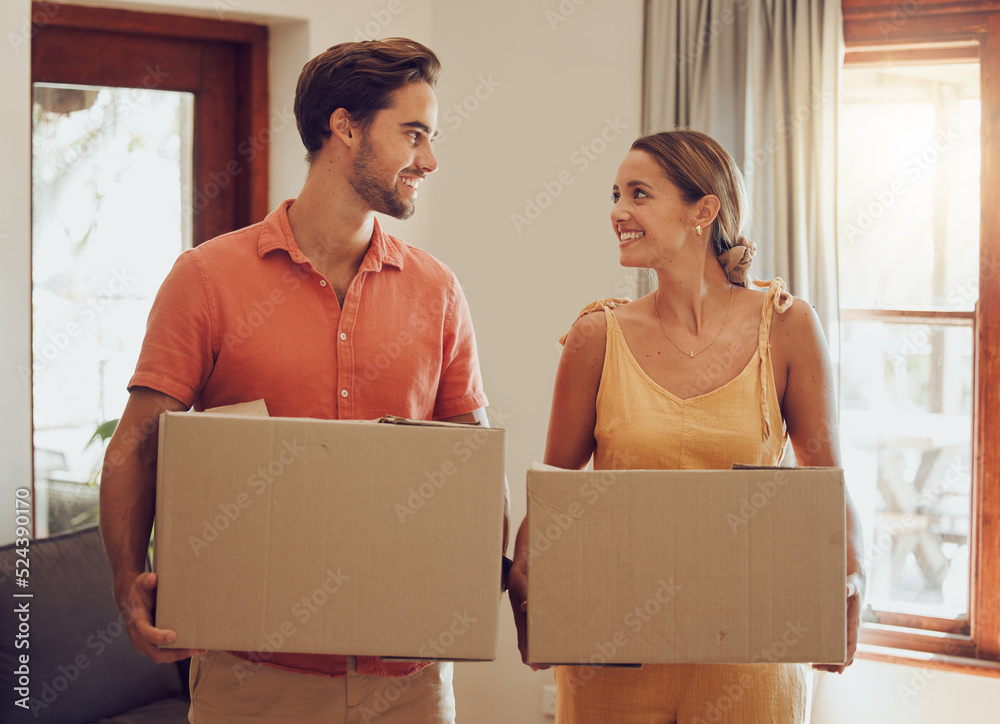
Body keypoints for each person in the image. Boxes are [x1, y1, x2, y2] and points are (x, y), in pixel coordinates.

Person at [100, 37, 506, 724]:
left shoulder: (437, 290)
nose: (428, 160)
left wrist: (481, 581)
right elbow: (138, 444)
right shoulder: (208, 278)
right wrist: (125, 584)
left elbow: (470, 456)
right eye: (413, 134)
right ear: (345, 127)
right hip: (254, 678)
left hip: (407, 679)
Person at [507, 129, 864, 723]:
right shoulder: (598, 335)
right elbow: (556, 490)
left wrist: (855, 578)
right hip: (613, 654)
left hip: (750, 658)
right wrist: (528, 580)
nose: (618, 213)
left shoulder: (789, 326)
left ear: (704, 211)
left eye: (639, 194)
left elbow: (826, 478)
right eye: (615, 195)